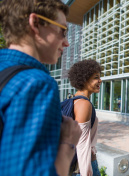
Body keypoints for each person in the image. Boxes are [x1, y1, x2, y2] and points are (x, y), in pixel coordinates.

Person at [0, 0, 82, 176]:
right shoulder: (37, 83)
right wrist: (68, 144)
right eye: (63, 31)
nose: (66, 42)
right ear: (35, 23)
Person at [68, 60, 102, 176]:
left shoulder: (74, 99)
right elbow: (82, 145)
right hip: (82, 166)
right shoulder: (84, 104)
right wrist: (86, 173)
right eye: (96, 77)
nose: (100, 81)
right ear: (84, 79)